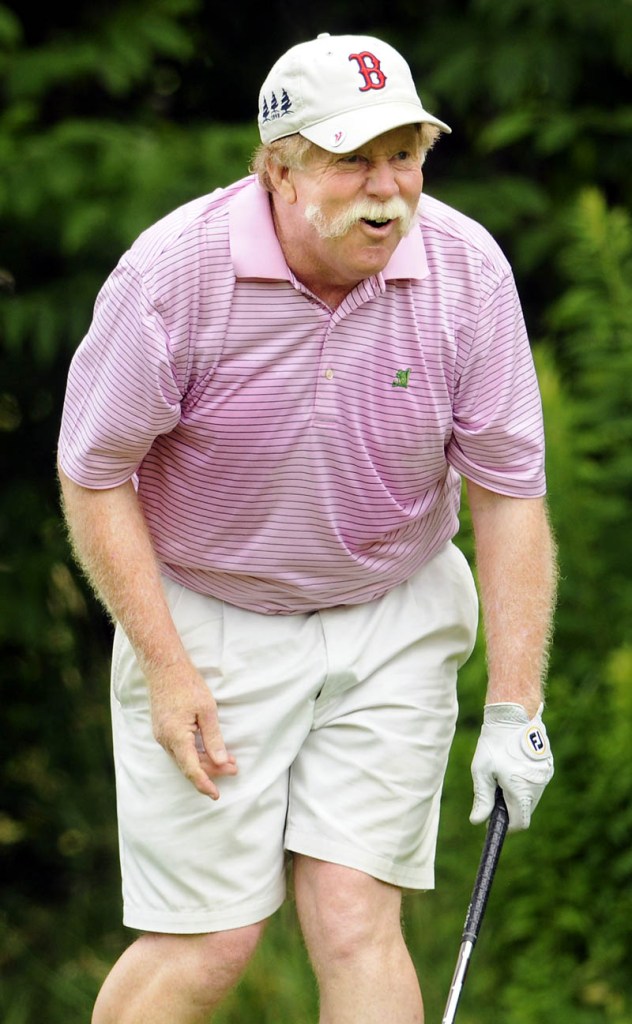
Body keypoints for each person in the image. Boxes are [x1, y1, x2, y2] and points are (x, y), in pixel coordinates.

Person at [57, 31, 556, 1024]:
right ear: (277, 169)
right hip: (208, 612)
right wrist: (164, 663)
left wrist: (513, 705)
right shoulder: (172, 277)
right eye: (352, 159)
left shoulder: (464, 272)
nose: (387, 190)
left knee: (353, 915)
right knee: (208, 944)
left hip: (390, 611)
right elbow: (94, 475)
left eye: (404, 155)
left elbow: (506, 494)